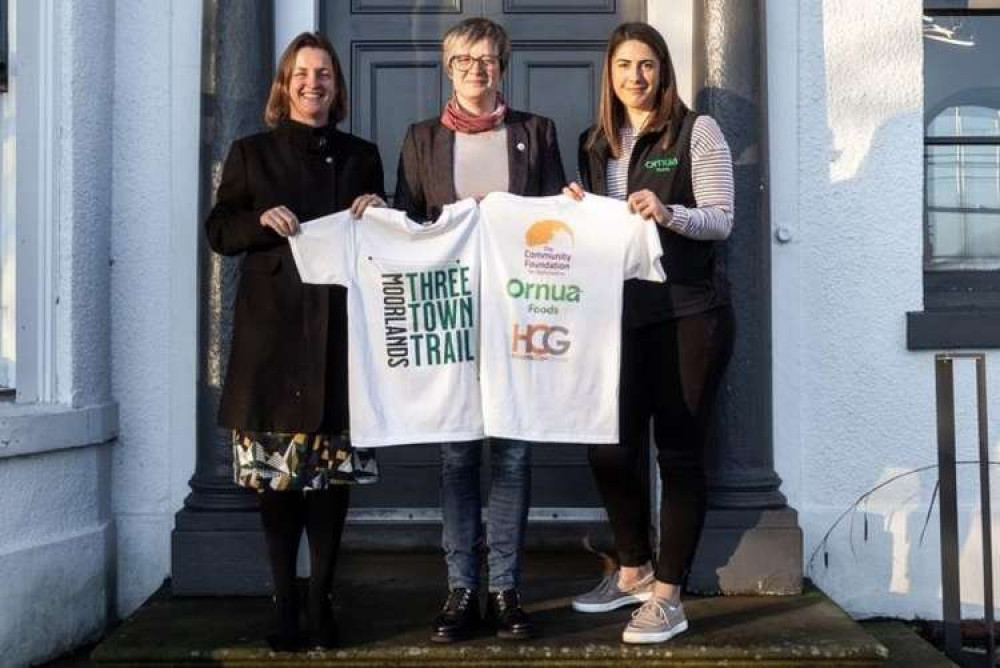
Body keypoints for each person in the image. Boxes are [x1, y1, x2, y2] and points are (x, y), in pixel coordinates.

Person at [205, 31, 385, 652]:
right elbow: (219, 231)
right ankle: (284, 605)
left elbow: (384, 239)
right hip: (274, 343)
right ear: (285, 85)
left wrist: (378, 208)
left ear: (337, 86)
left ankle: (322, 601)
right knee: (276, 490)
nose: (315, 83)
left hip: (340, 338)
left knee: (331, 488)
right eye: (303, 74)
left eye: (325, 74)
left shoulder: (363, 155)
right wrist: (259, 221)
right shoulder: (251, 153)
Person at [563, 22, 735, 644]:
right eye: (624, 66)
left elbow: (721, 220)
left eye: (647, 65)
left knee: (680, 453)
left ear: (663, 71)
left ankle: (669, 596)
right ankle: (632, 567)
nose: (636, 77)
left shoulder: (697, 131)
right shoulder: (595, 144)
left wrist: (668, 213)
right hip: (618, 318)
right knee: (607, 442)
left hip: (690, 314)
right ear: (609, 76)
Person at [394, 17, 565, 643]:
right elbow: (408, 229)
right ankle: (461, 588)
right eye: (465, 59)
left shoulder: (535, 134)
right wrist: (375, 217)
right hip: (452, 321)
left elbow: (556, 223)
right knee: (457, 456)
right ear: (447, 66)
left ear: (504, 66)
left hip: (520, 319)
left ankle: (505, 588)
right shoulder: (419, 140)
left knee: (515, 457)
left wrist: (571, 205)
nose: (477, 69)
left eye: (488, 59)